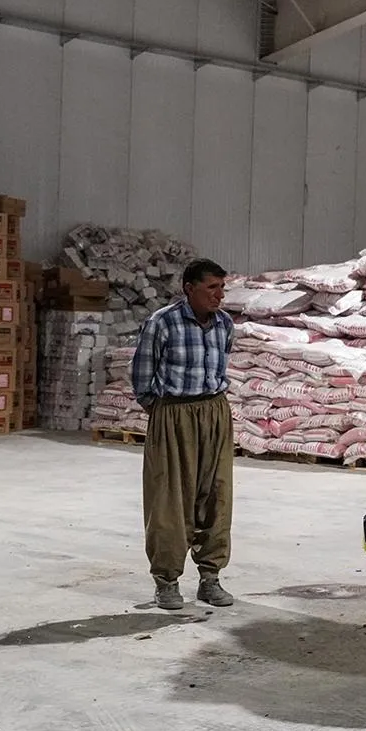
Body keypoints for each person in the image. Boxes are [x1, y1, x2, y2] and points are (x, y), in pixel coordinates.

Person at [131, 258, 236, 610]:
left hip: (214, 412)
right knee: (169, 499)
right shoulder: (162, 323)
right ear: (189, 289)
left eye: (222, 288)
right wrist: (165, 415)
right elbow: (142, 377)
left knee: (216, 496)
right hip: (173, 413)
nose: (219, 296)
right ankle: (166, 581)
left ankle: (210, 578)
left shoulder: (224, 324)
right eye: (212, 288)